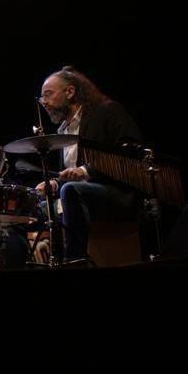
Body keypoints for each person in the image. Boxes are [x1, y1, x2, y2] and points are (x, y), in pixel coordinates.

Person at [35, 67, 142, 262]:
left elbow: (129, 154)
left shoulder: (107, 111)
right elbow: (70, 172)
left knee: (70, 191)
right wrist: (55, 183)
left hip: (117, 193)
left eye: (48, 95)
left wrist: (85, 171)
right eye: (42, 98)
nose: (44, 102)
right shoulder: (63, 131)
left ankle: (75, 262)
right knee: (37, 206)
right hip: (79, 194)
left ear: (70, 92)